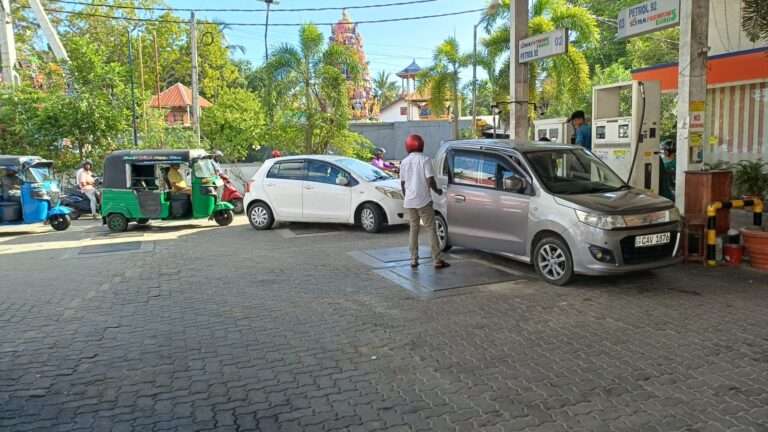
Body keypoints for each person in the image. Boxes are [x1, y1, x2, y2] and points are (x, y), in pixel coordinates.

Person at [399, 134, 449, 269]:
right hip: (424, 200)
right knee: (431, 229)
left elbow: (403, 184)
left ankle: (413, 259)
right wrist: (437, 190)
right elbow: (430, 180)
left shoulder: (404, 162)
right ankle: (437, 259)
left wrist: (407, 197)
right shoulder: (425, 160)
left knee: (413, 229)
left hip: (410, 201)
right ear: (421, 145)